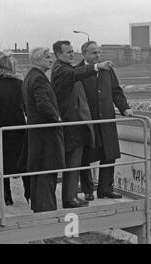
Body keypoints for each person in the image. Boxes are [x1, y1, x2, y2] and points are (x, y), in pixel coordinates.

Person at [51, 40, 113, 208]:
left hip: (74, 124)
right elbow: (75, 75)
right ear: (58, 55)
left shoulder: (65, 68)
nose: (72, 54)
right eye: (68, 52)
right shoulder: (61, 70)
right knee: (73, 162)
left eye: (72, 51)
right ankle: (69, 199)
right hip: (71, 125)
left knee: (75, 162)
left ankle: (71, 196)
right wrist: (97, 67)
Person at [78, 41, 133, 200]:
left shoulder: (107, 70)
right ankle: (88, 190)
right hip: (88, 120)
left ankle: (105, 189)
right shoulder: (79, 71)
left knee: (109, 153)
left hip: (107, 119)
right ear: (85, 54)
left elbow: (116, 91)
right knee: (86, 156)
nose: (98, 55)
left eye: (99, 52)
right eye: (94, 53)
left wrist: (124, 108)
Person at [22, 47, 65, 213]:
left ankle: (40, 211)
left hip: (36, 133)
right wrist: (57, 119)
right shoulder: (38, 79)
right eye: (47, 57)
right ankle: (46, 214)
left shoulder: (30, 77)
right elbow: (43, 104)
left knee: (39, 175)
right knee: (47, 174)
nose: (51, 60)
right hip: (45, 135)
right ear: (38, 60)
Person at [0, 51, 30, 205]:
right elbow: (27, 108)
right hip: (18, 128)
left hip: (0, 130)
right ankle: (29, 194)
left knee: (2, 163)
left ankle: (7, 197)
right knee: (23, 162)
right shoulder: (20, 85)